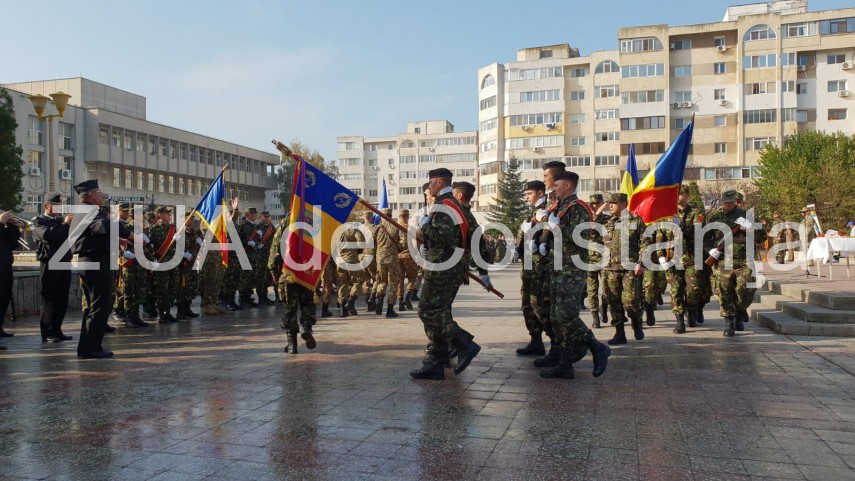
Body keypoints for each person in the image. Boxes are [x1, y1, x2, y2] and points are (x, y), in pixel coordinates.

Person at [410, 168, 481, 380]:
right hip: (447, 263)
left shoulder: (445, 205)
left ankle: (464, 344)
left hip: (443, 265)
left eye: (430, 182)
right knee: (440, 311)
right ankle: (436, 361)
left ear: (440, 182)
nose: (428, 186)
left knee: (427, 310)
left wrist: (424, 227)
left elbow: (443, 234)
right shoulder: (451, 204)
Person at [538, 171, 610, 379]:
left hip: (572, 268)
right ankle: (565, 363)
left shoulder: (578, 208)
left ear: (568, 185)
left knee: (566, 316)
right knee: (555, 317)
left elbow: (581, 235)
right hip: (557, 266)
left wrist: (556, 227)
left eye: (557, 185)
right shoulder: (558, 207)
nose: (553, 188)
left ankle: (597, 348)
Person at [72, 180, 132, 358]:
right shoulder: (88, 210)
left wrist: (117, 239)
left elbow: (95, 233)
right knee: (99, 305)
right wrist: (129, 234)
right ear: (91, 195)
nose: (102, 195)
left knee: (95, 306)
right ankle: (91, 348)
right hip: (94, 262)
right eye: (99, 192)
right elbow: (102, 226)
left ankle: (87, 347)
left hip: (93, 260)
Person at [707, 189, 766, 336]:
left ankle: (740, 310)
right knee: (724, 292)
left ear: (735, 201)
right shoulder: (715, 217)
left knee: (745, 290)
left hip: (744, 261)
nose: (728, 204)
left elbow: (762, 238)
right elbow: (704, 238)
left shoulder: (747, 216)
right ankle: (729, 323)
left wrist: (751, 229)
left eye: (730, 201)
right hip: (722, 262)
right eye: (725, 201)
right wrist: (710, 250)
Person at [530, 160, 566, 368]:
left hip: (560, 263)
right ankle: (556, 348)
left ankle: (575, 347)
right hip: (547, 261)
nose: (545, 179)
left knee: (557, 310)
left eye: (546, 176)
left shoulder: (560, 201)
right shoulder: (552, 201)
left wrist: (546, 233)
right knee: (546, 308)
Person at [601, 193, 648, 345]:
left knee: (631, 301)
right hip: (610, 269)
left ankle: (636, 323)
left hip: (630, 268)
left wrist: (641, 262)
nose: (610, 206)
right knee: (613, 302)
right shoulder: (607, 222)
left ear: (623, 204)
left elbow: (645, 243)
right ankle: (619, 333)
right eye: (609, 203)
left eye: (613, 203)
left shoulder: (636, 221)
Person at [31, 194, 75, 341]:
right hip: (49, 263)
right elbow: (50, 236)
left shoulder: (60, 221)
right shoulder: (38, 222)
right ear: (46, 206)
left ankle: (57, 329)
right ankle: (47, 332)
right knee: (49, 299)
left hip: (64, 261)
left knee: (62, 299)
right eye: (55, 206)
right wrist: (65, 224)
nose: (58, 209)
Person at [268, 219, 316, 354]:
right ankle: (306, 328)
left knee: (289, 308)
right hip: (308, 273)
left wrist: (273, 271)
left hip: (287, 273)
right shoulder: (314, 220)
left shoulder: (285, 223)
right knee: (307, 304)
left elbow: (275, 250)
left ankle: (292, 345)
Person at [515, 180, 549, 356]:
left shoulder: (547, 210)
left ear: (540, 193)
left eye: (529, 194)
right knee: (528, 305)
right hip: (528, 265)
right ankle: (536, 341)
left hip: (539, 266)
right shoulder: (533, 212)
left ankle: (561, 343)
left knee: (539, 305)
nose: (527, 197)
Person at [669, 186, 707, 333]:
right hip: (674, 258)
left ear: (687, 196)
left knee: (693, 290)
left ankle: (691, 310)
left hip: (692, 257)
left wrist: (680, 225)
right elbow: (661, 234)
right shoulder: (668, 213)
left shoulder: (697, 212)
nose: (678, 196)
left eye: (681, 194)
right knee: (676, 290)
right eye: (676, 194)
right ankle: (679, 320)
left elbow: (698, 229)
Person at [113, 203, 150, 328]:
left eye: (127, 211)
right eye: (123, 211)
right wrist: (122, 253)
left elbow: (143, 246)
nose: (126, 213)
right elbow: (115, 244)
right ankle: (128, 317)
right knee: (128, 291)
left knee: (139, 291)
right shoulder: (120, 226)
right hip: (127, 264)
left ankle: (136, 316)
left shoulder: (137, 229)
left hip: (139, 263)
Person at [148, 206, 180, 323]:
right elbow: (149, 247)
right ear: (160, 215)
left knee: (174, 288)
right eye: (166, 213)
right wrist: (153, 260)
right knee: (162, 290)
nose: (169, 215)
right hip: (161, 263)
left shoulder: (173, 229)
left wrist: (179, 239)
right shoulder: (154, 229)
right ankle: (162, 313)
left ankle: (168, 311)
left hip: (173, 262)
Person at [372, 207, 401, 317]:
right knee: (393, 283)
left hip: (380, 258)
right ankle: (390, 309)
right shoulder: (396, 227)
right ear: (390, 214)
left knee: (382, 281)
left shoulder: (377, 228)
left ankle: (379, 299)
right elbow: (402, 243)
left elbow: (372, 244)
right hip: (392, 259)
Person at [587, 193, 610, 329]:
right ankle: (595, 316)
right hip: (589, 260)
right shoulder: (587, 219)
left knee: (607, 289)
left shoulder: (608, 219)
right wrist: (596, 215)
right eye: (593, 204)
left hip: (606, 260)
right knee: (592, 290)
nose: (595, 206)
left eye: (598, 203)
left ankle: (604, 306)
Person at [0, 210, 22, 344]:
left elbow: (13, 243)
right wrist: (1, 223)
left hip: (6, 265)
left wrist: (12, 226)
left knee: (4, 297)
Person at [176, 212, 201, 320]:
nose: (191, 222)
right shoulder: (179, 233)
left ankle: (187, 309)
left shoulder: (194, 233)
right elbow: (175, 249)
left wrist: (199, 244)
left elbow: (195, 248)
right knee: (182, 289)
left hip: (192, 264)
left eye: (192, 220)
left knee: (191, 288)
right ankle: (180, 312)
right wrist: (183, 255)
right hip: (183, 265)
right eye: (188, 220)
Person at [393, 209, 418, 312]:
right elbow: (418, 244)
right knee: (412, 277)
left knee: (400, 279)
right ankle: (408, 296)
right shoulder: (413, 229)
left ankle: (400, 303)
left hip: (399, 257)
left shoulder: (395, 229)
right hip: (410, 256)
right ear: (408, 217)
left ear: (399, 216)